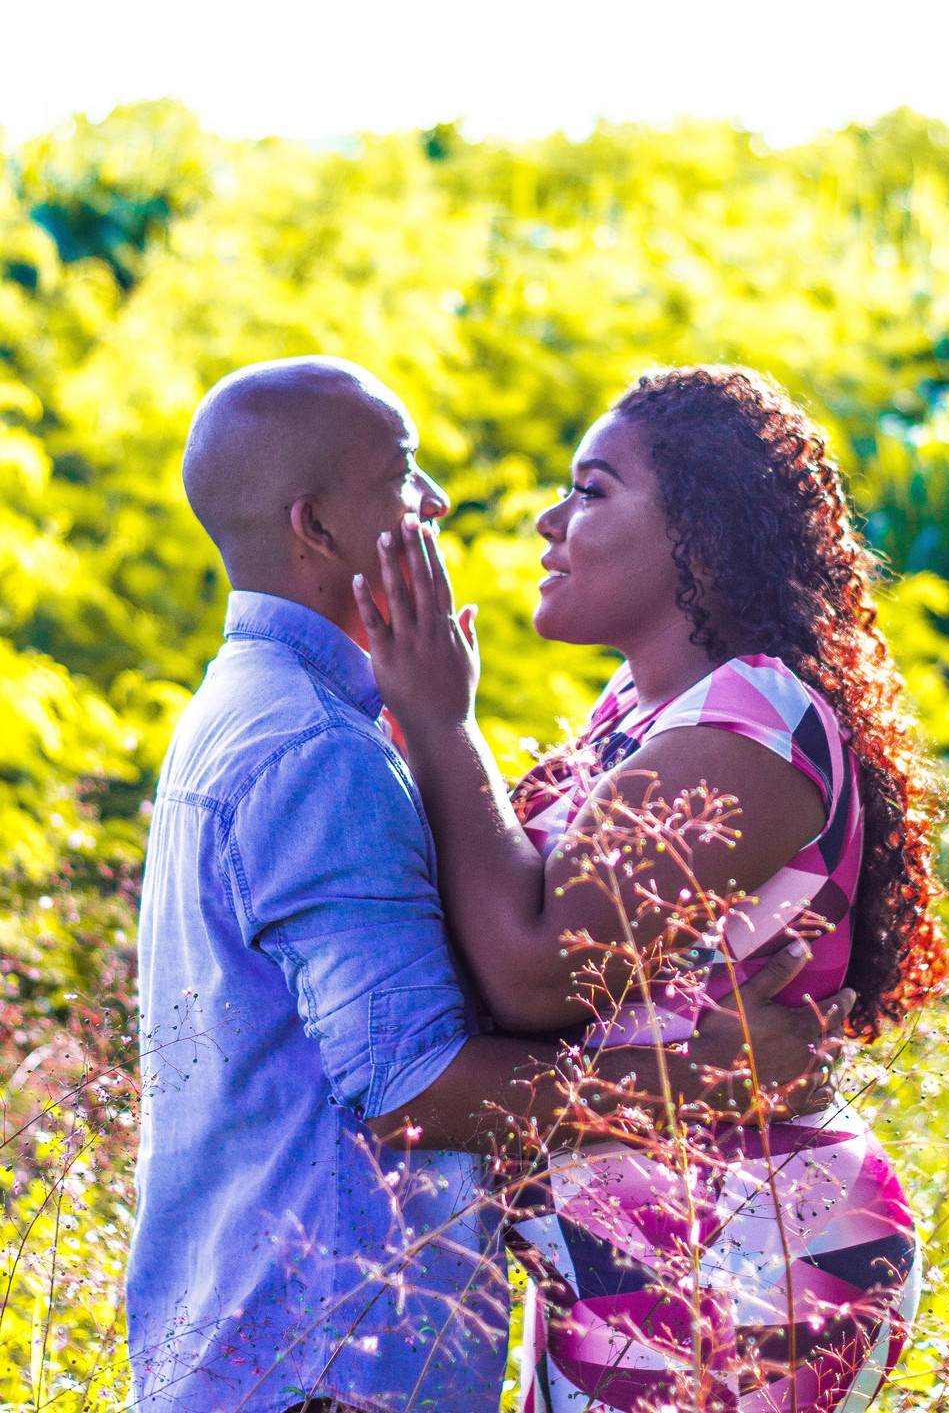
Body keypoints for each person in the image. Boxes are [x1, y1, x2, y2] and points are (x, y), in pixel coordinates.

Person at [127, 356, 852, 1413]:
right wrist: (695, 1082)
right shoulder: (316, 747)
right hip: (328, 1358)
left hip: (680, 1268)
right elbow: (413, 1084)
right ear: (315, 527)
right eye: (403, 475)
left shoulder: (267, 710)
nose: (437, 504)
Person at [355, 364, 947, 1413]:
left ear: (700, 537)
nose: (549, 522)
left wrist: (443, 722)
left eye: (590, 490)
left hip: (746, 1245)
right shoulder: (641, 705)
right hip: (641, 1244)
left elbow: (536, 972)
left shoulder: (750, 721)